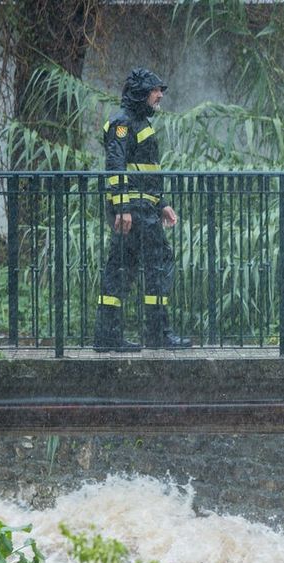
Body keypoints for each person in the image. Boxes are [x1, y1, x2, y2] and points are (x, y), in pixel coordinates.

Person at [93, 67, 188, 352]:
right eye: (155, 90)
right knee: (153, 265)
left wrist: (161, 203)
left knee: (124, 269)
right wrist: (123, 206)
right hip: (133, 210)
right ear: (142, 93)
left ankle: (109, 335)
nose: (159, 95)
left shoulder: (137, 122)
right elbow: (116, 165)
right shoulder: (123, 123)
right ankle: (155, 333)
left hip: (141, 208)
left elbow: (146, 171)